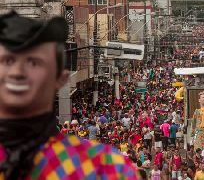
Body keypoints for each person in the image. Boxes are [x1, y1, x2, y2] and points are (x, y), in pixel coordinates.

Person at [0, 11, 137, 179]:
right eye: (7, 61)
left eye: (33, 62)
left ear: (61, 78)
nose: (17, 72)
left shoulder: (106, 168)